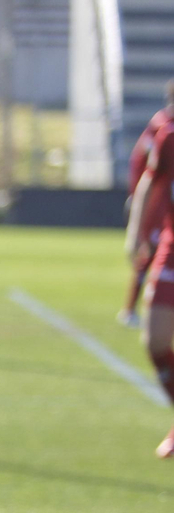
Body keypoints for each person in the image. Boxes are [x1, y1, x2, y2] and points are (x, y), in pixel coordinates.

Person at [126, 78, 174, 458]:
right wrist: (135, 232)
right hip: (171, 249)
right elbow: (149, 184)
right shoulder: (168, 139)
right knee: (155, 339)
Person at [120, 82, 174, 329]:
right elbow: (143, 165)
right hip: (160, 204)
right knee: (149, 249)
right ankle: (131, 308)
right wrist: (137, 196)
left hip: (161, 202)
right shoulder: (162, 127)